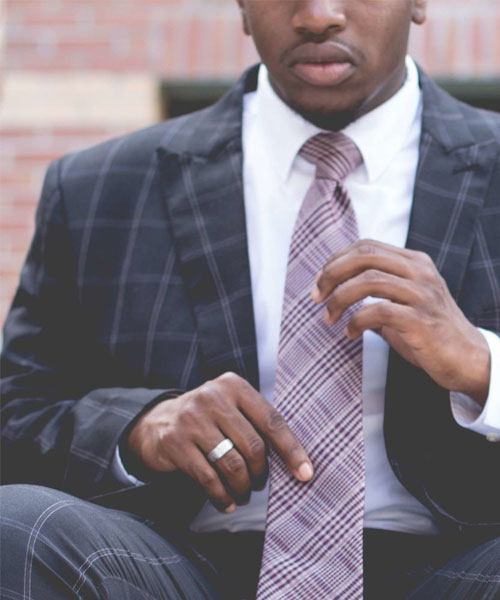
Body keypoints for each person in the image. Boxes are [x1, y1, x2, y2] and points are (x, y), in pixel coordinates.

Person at [1, 0, 500, 598]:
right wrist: (141, 429)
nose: (317, 15)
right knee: (17, 525)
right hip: (177, 563)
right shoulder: (96, 190)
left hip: (459, 561)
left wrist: (483, 370)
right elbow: (17, 414)